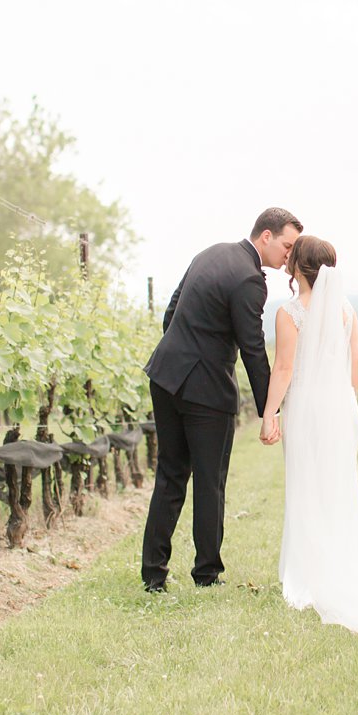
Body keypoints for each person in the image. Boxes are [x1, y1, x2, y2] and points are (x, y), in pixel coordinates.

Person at [259, 235, 358, 646]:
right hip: (340, 409)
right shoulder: (346, 310)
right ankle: (335, 568)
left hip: (307, 409)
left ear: (298, 268)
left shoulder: (289, 313)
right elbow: (357, 359)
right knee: (339, 488)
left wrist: (269, 413)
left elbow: (284, 369)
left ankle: (307, 576)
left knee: (306, 485)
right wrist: (351, 404)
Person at [140, 208, 302, 591]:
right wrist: (270, 408)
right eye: (287, 245)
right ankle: (207, 574)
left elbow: (170, 313)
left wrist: (186, 351)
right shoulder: (250, 278)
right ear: (266, 236)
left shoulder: (210, 252)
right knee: (210, 481)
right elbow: (252, 349)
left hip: (165, 375)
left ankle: (153, 574)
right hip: (206, 390)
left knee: (170, 475)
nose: (288, 256)